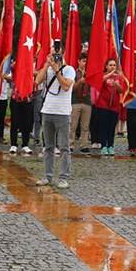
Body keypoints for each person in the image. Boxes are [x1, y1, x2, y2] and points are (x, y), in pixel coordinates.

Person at [34, 42, 74, 188]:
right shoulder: (48, 69)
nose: (53, 54)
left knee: (64, 147)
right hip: (47, 110)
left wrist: (57, 69)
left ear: (62, 53)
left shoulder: (69, 69)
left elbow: (65, 86)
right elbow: (37, 81)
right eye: (51, 51)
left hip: (63, 112)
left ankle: (63, 177)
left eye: (55, 52)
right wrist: (47, 65)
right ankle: (47, 176)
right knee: (48, 147)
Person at [69, 55, 91, 153]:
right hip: (75, 101)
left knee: (85, 126)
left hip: (87, 102)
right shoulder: (73, 73)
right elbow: (72, 88)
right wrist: (79, 82)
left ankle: (84, 144)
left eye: (86, 61)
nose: (85, 63)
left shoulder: (90, 73)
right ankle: (70, 144)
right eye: (83, 61)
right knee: (73, 125)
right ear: (78, 61)